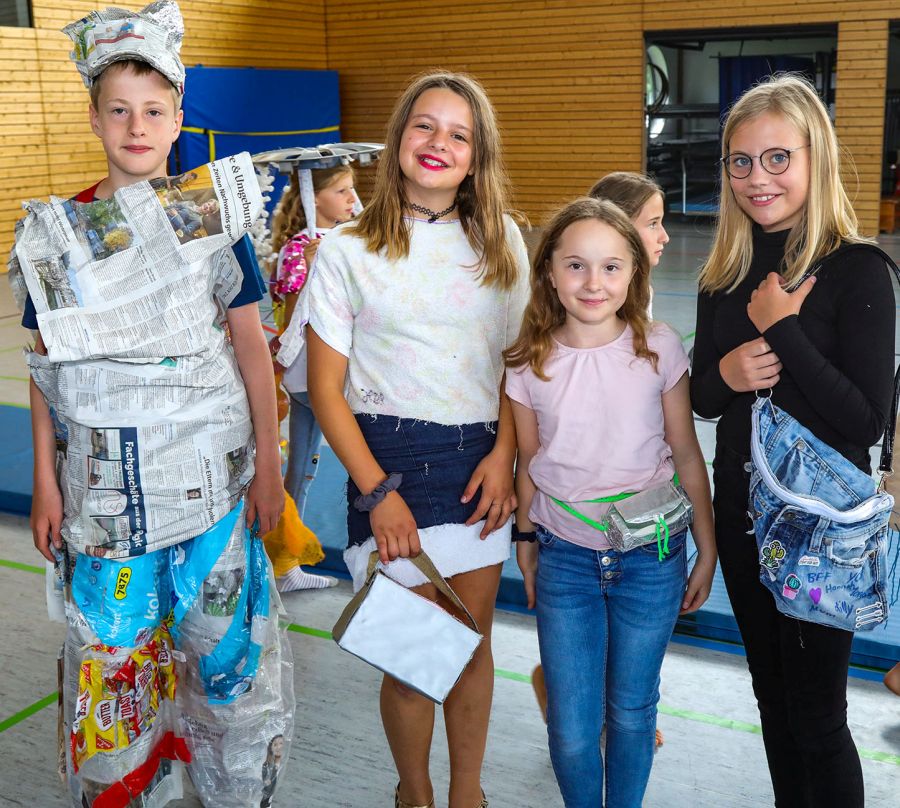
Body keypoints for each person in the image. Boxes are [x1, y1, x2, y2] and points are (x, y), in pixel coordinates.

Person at [17, 3, 290, 806]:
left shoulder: (216, 224)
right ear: (95, 118)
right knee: (112, 675)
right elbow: (46, 373)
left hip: (213, 502)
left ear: (178, 122)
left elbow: (252, 354)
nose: (137, 126)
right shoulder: (56, 237)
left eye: (154, 111)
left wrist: (270, 470)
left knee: (228, 670)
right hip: (105, 505)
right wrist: (45, 480)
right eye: (120, 110)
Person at [306, 71, 530, 808]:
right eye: (425, 126)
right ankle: (416, 794)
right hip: (389, 463)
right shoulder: (344, 250)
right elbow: (326, 391)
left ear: (477, 155)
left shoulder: (503, 245)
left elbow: (514, 367)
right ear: (400, 138)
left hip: (477, 465)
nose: (439, 143)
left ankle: (468, 793)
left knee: (468, 648)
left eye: (458, 133)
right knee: (411, 659)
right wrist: (376, 494)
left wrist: (504, 456)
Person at [691, 74, 895, 808]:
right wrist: (727, 369)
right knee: (772, 703)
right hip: (745, 520)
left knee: (817, 717)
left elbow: (864, 421)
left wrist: (781, 327)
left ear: (816, 158)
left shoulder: (857, 272)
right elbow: (702, 399)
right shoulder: (726, 274)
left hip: (822, 534)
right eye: (741, 161)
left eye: (778, 158)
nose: (758, 177)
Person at [505, 197, 716, 808]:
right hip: (565, 558)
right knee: (571, 727)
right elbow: (527, 463)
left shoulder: (659, 348)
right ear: (548, 272)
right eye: (576, 266)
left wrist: (706, 549)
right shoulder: (528, 360)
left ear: (633, 274)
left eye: (611, 267)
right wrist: (525, 543)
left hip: (651, 560)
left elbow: (685, 453)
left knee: (630, 710)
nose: (593, 283)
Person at [529, 171, 673, 735]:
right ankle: (583, 697)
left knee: (628, 626)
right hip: (575, 520)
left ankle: (620, 706)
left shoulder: (641, 311)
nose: (662, 236)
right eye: (653, 223)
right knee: (588, 622)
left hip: (639, 521)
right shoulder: (576, 304)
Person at [266, 164, 358, 591]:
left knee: (303, 468)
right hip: (311, 372)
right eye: (341, 191)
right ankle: (283, 562)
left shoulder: (335, 240)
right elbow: (291, 312)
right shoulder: (301, 248)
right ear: (314, 198)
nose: (350, 200)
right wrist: (312, 265)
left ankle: (283, 562)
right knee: (309, 465)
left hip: (326, 369)